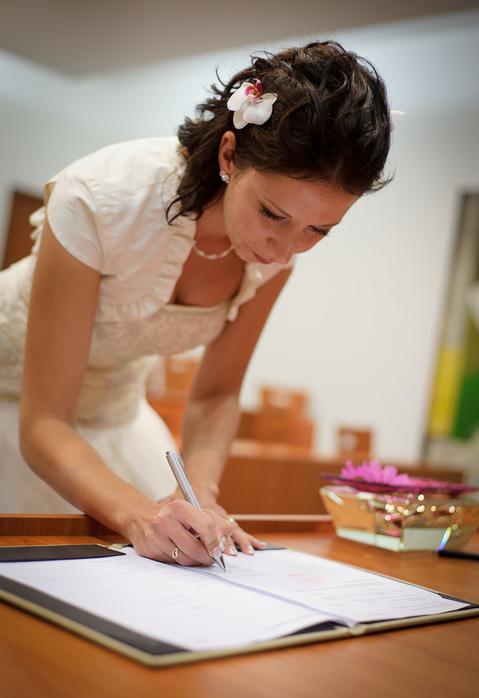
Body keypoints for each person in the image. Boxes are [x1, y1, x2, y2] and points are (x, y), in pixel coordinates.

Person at [0, 40, 392, 566]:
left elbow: (216, 393)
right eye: (272, 214)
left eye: (318, 230)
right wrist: (140, 514)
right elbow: (45, 422)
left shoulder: (272, 259)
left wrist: (200, 488)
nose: (284, 249)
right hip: (20, 410)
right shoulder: (99, 200)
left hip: (115, 416)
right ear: (230, 155)